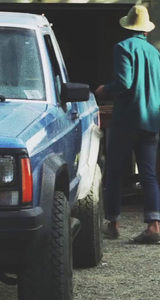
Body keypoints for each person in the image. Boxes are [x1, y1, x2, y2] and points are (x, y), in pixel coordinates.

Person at [95, 5, 160, 243]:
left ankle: (113, 223)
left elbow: (124, 81)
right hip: (151, 121)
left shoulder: (122, 48)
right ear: (145, 29)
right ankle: (154, 225)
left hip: (125, 122)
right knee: (149, 175)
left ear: (127, 25)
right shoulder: (155, 53)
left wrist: (105, 89)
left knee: (114, 172)